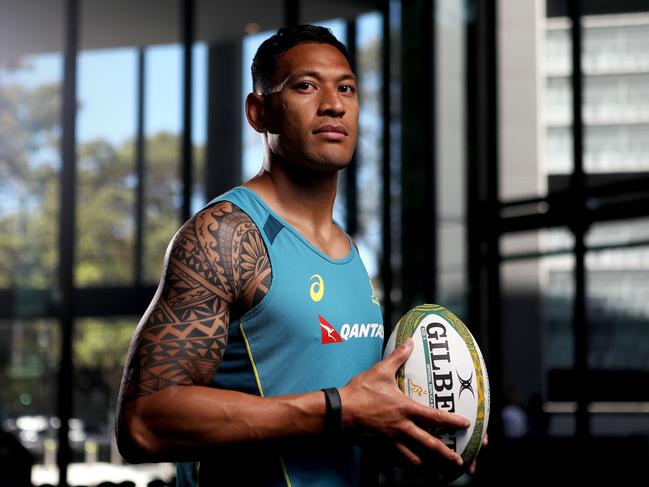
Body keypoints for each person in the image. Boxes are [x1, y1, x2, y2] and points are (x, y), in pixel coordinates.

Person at [116, 24, 476, 487]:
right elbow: (144, 423)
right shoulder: (226, 234)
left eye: (346, 87)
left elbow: (344, 425)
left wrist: (412, 438)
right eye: (306, 86)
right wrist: (340, 410)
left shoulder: (349, 251)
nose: (334, 103)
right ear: (259, 111)